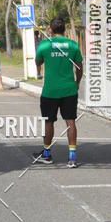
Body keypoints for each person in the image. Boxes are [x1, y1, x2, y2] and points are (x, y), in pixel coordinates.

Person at [33, 16, 83, 167]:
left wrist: (39, 69)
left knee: (48, 122)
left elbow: (38, 61)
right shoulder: (73, 45)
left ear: (50, 29)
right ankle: (72, 157)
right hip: (69, 89)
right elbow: (79, 67)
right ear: (65, 28)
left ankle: (47, 154)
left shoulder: (44, 45)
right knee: (70, 122)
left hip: (50, 91)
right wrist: (77, 83)